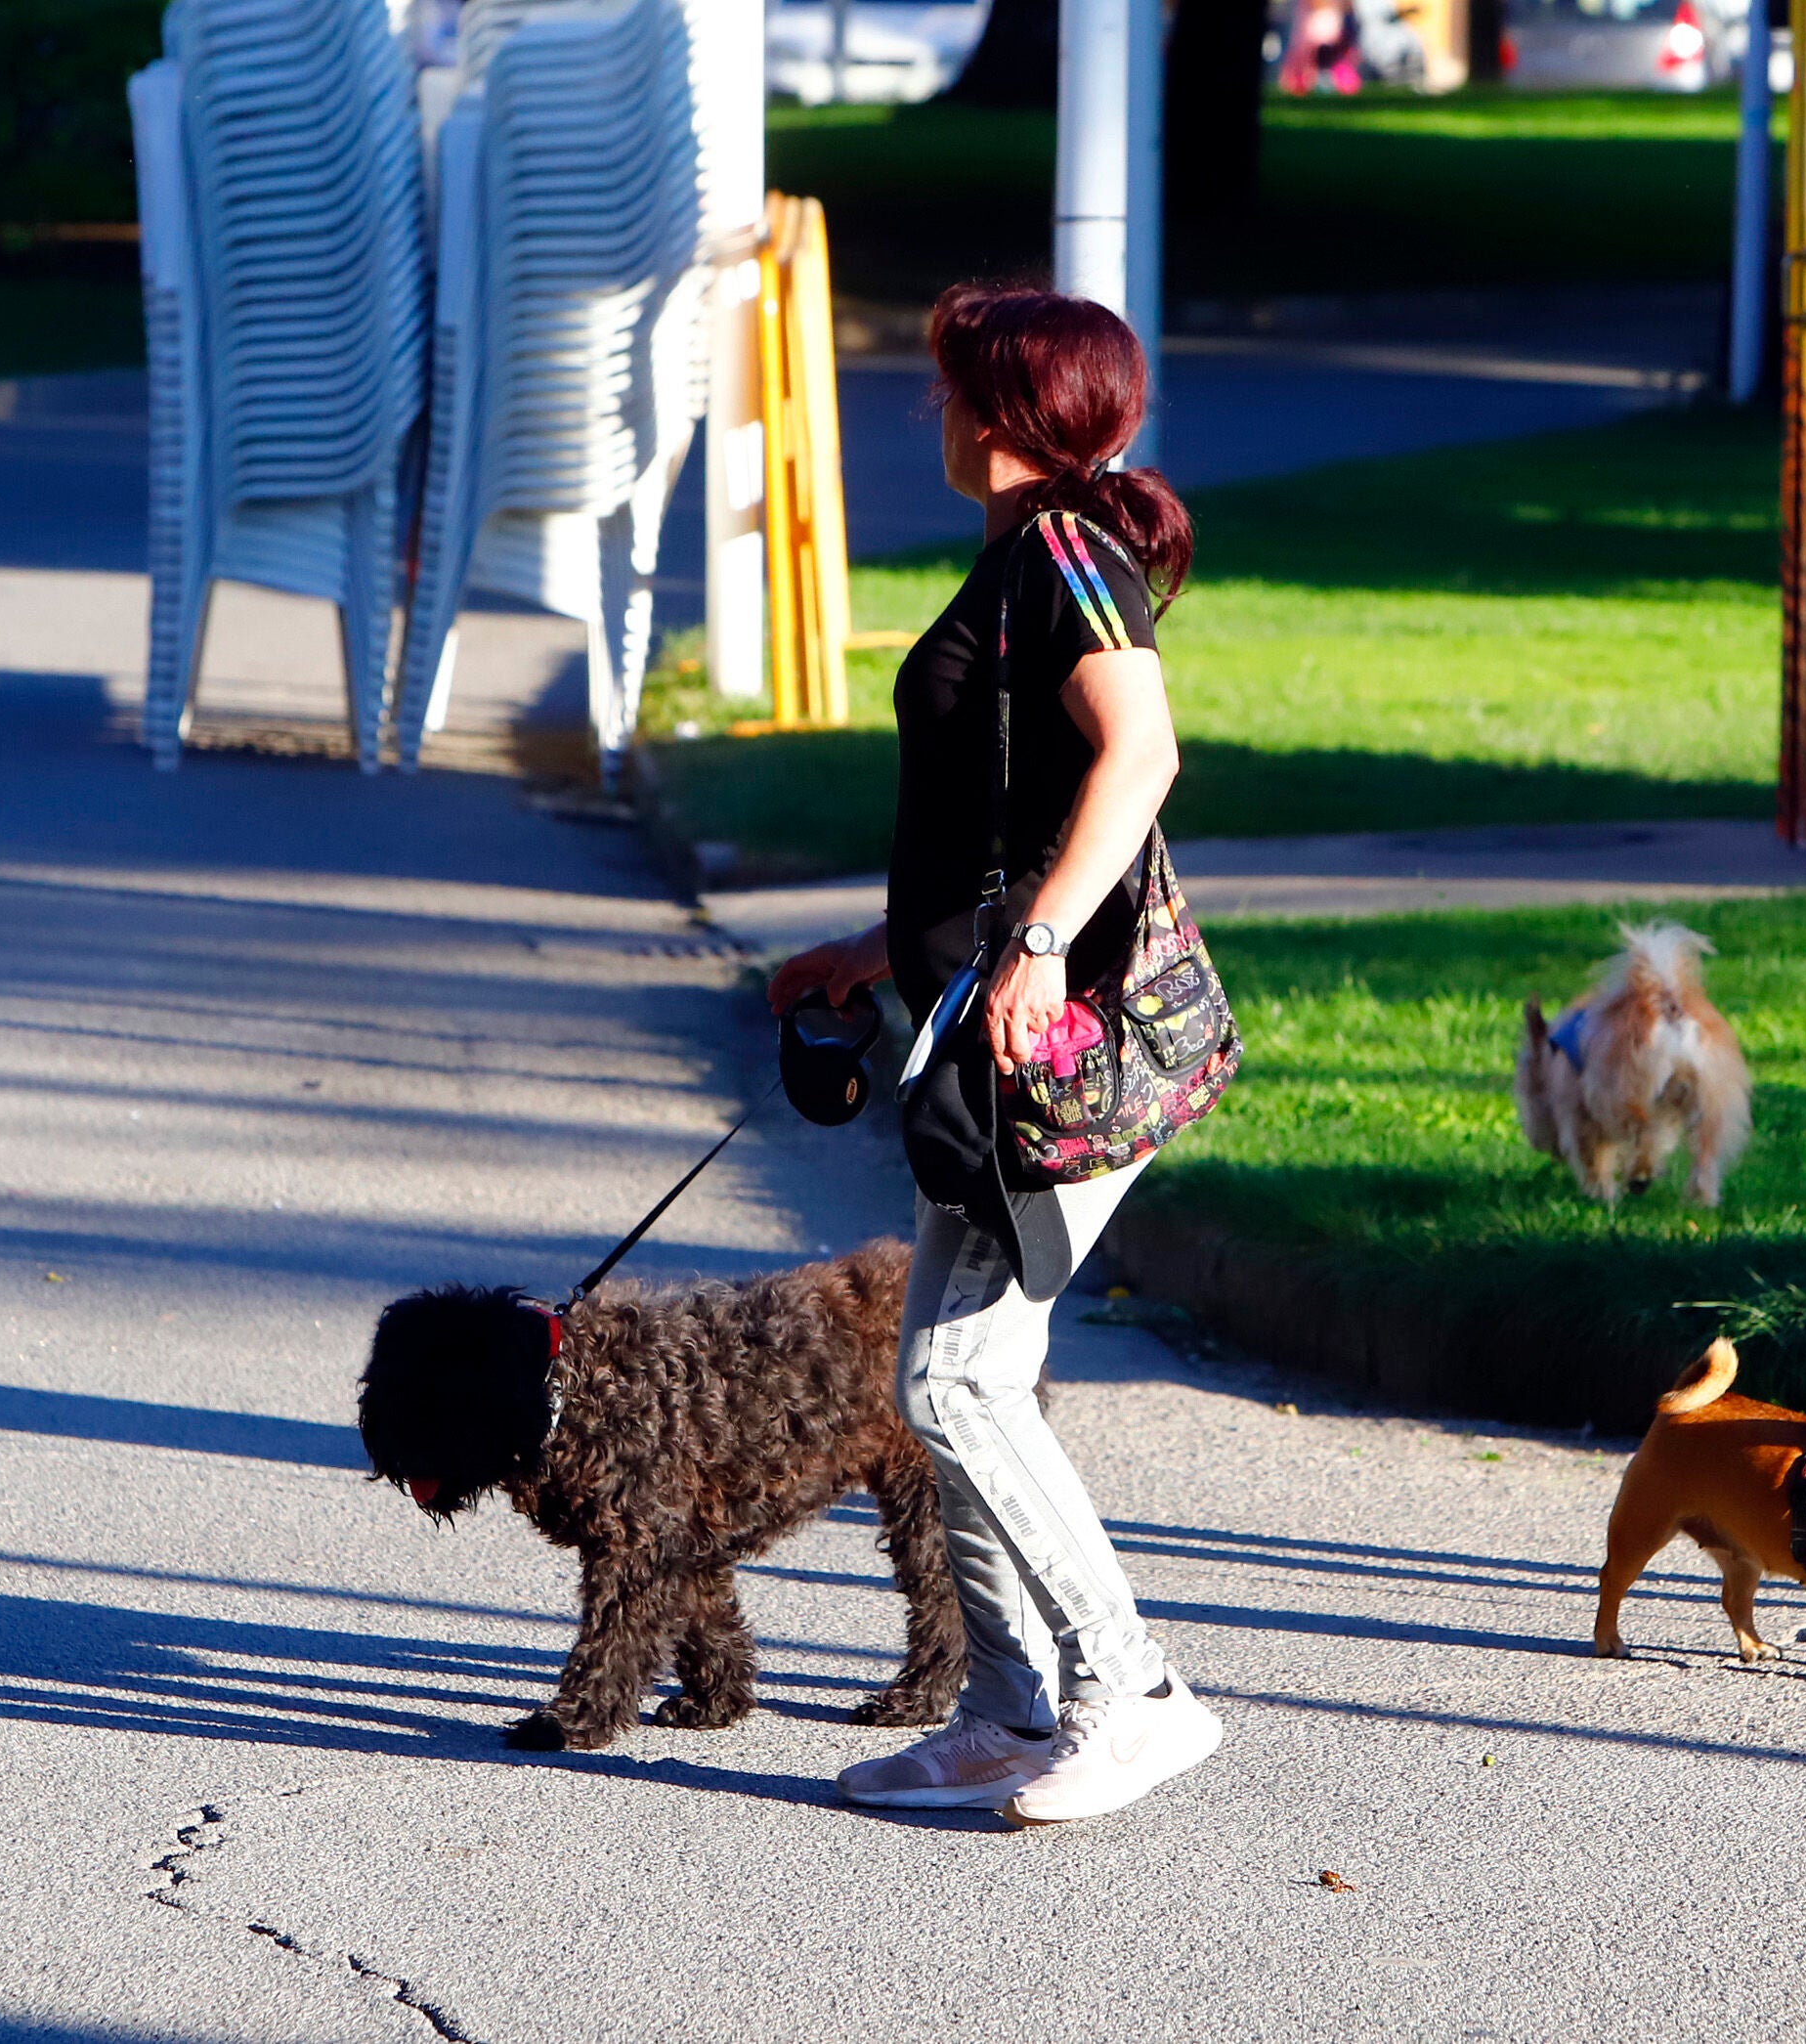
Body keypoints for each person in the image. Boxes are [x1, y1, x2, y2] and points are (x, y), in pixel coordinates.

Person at [767, 284, 1220, 1823]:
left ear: (1009, 412)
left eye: (954, 386)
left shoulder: (1068, 551)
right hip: (991, 1044)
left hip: (1068, 1038)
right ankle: (1008, 1714)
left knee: (957, 1381)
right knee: (951, 1377)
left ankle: (1130, 1695)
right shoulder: (1022, 553)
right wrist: (872, 953)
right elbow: (996, 818)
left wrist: (1032, 948)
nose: (936, 411)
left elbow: (1141, 755)